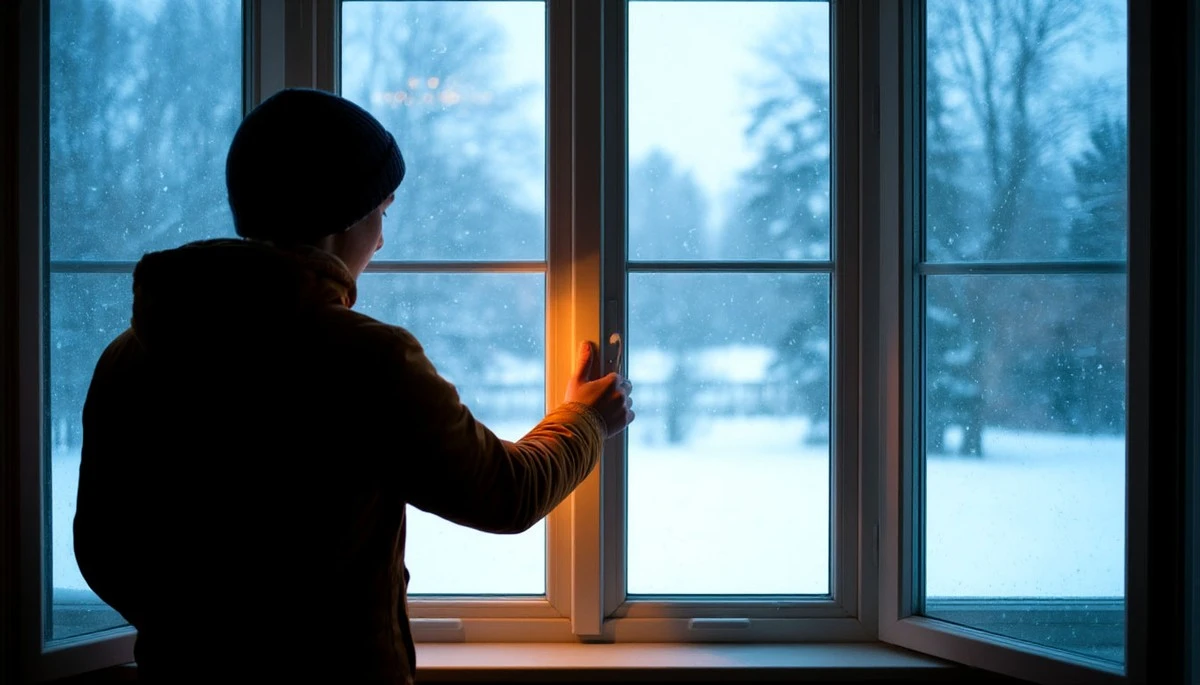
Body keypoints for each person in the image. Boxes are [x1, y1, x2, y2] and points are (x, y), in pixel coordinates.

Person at [73, 87, 634, 684]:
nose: (384, 238)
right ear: (344, 217)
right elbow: (505, 493)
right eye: (383, 210)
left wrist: (202, 624)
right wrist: (585, 419)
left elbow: (100, 550)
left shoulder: (131, 356)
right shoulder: (364, 359)